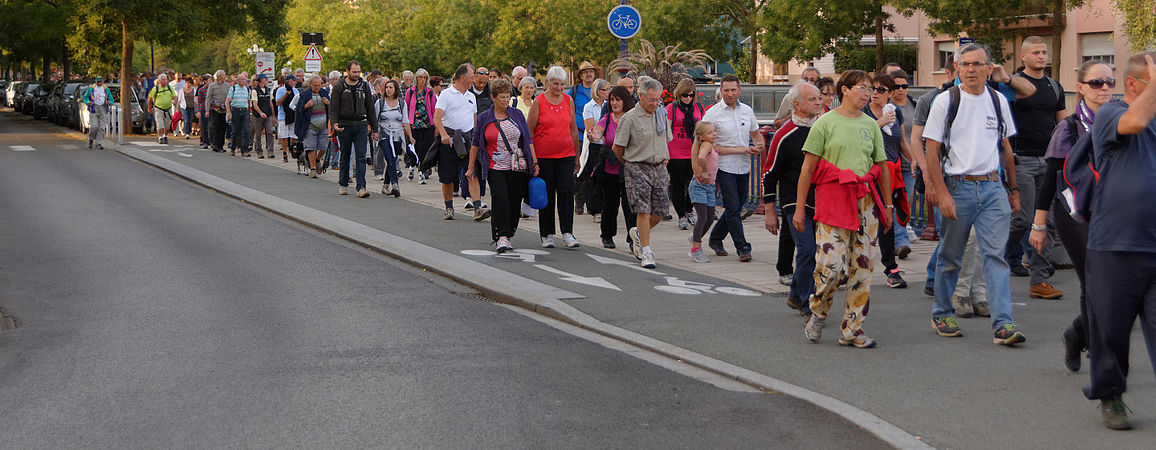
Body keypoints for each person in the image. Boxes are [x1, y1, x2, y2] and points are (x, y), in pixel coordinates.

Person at [921, 43, 1025, 346]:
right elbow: (931, 149)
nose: (971, 70)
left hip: (993, 187)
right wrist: (941, 194)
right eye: (965, 64)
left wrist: (1013, 190)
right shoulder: (945, 101)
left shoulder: (998, 101)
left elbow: (1006, 148)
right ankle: (942, 311)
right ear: (956, 68)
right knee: (951, 255)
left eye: (977, 64)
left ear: (989, 69)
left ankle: (1003, 323)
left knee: (996, 257)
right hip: (957, 185)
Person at [1081, 52, 1156, 430]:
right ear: (1133, 85)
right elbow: (1138, 120)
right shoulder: (1111, 113)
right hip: (1114, 245)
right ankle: (1110, 395)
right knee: (1110, 329)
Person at [793, 70, 890, 348]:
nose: (868, 93)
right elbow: (808, 168)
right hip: (833, 200)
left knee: (862, 269)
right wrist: (800, 209)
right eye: (862, 87)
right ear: (844, 90)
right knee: (832, 266)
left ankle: (853, 329)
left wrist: (889, 204)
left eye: (870, 88)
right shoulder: (825, 123)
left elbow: (882, 167)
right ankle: (818, 311)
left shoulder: (871, 125)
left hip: (865, 202)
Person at [1027, 60, 1113, 373]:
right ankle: (1101, 353)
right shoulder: (1070, 127)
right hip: (1074, 213)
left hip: (1111, 213)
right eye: (1096, 83)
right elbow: (1050, 178)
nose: (1104, 88)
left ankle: (1077, 333)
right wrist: (1038, 225)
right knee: (1092, 282)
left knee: (1112, 287)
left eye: (1109, 82)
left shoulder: (1119, 122)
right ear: (1080, 88)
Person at [1005, 36, 1068, 299]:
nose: (1042, 56)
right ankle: (1008, 255)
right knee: (1023, 217)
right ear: (1023, 56)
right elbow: (1002, 123)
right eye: (1036, 52)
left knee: (1048, 221)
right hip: (1021, 159)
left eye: (1045, 52)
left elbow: (1063, 124)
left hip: (1049, 161)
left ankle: (1039, 279)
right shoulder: (1013, 86)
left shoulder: (1055, 87)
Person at [763, 82, 823, 316]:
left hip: (820, 200)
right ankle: (808, 304)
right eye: (812, 99)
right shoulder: (783, 135)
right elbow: (769, 174)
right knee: (807, 250)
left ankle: (795, 295)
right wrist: (770, 211)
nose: (818, 102)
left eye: (819, 98)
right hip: (792, 202)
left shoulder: (823, 127)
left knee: (816, 253)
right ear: (796, 105)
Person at [862, 72, 920, 289]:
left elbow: (902, 140)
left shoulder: (894, 112)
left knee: (889, 218)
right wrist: (879, 122)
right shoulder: (863, 112)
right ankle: (852, 265)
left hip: (892, 172)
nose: (875, 93)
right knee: (867, 220)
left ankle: (891, 269)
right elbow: (862, 138)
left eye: (880, 90)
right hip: (870, 173)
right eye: (872, 89)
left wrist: (913, 160)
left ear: (890, 94)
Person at [468, 78, 538, 252]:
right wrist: (470, 167)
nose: (506, 101)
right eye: (502, 97)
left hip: (517, 166)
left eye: (508, 97)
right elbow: (476, 144)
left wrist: (534, 161)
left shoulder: (517, 115)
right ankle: (501, 236)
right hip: (495, 166)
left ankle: (509, 232)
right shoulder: (485, 118)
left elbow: (527, 140)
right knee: (501, 199)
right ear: (493, 97)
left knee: (515, 202)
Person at [700, 75, 763, 262]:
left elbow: (756, 134)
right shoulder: (713, 113)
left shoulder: (747, 111)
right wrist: (739, 149)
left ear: (739, 90)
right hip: (724, 166)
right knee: (733, 207)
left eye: (733, 90)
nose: (729, 94)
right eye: (726, 90)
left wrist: (759, 146)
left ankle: (716, 238)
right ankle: (743, 247)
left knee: (736, 206)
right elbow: (706, 143)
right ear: (721, 91)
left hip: (744, 166)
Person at [612, 76, 672, 269]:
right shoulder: (629, 118)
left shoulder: (661, 114)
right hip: (637, 166)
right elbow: (617, 147)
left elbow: (666, 140)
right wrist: (630, 164)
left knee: (661, 211)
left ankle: (638, 233)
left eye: (658, 100)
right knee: (643, 210)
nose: (655, 104)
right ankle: (646, 251)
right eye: (651, 100)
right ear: (640, 95)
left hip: (659, 166)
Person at [528, 66, 581, 248]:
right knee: (547, 194)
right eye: (556, 84)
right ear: (548, 83)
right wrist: (533, 159)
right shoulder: (539, 101)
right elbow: (530, 132)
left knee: (566, 192)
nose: (559, 88)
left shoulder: (568, 100)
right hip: (544, 156)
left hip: (566, 154)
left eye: (562, 84)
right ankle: (547, 233)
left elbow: (573, 128)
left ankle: (567, 232)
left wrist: (577, 155)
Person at [588, 86, 637, 249]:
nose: (614, 103)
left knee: (631, 207)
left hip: (629, 169)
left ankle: (633, 240)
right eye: (612, 100)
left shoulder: (631, 118)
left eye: (618, 100)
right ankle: (607, 236)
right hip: (610, 169)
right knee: (610, 204)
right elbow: (598, 131)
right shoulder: (607, 118)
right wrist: (593, 135)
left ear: (625, 101)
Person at [434, 63, 484, 219]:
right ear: (463, 78)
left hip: (468, 140)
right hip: (449, 140)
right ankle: (449, 208)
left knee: (472, 173)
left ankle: (477, 208)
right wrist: (443, 135)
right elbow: (437, 118)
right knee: (447, 177)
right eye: (472, 77)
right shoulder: (446, 94)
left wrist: (476, 138)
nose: (474, 80)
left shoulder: (471, 96)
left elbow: (474, 119)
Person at [329, 60, 378, 198]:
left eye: (358, 72)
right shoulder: (339, 86)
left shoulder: (364, 86)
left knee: (361, 156)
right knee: (345, 155)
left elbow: (370, 108)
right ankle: (343, 184)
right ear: (347, 71)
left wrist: (375, 128)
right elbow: (333, 108)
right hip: (344, 125)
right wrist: (334, 123)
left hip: (361, 125)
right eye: (354, 72)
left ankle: (361, 187)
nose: (357, 74)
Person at [666, 78, 704, 231]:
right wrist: (665, 153)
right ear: (678, 95)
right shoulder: (672, 108)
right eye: (684, 95)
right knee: (677, 185)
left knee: (692, 184)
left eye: (690, 95)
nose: (688, 98)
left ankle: (689, 210)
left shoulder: (699, 108)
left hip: (693, 151)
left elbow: (703, 127)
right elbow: (667, 131)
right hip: (676, 152)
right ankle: (681, 215)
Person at [888, 68, 917, 255]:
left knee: (904, 201)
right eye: (896, 86)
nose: (900, 90)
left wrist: (917, 159)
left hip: (911, 163)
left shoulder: (914, 105)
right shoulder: (887, 107)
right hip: (892, 162)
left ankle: (897, 239)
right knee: (893, 202)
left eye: (904, 86)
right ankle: (900, 241)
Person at [374, 79, 414, 198]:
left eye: (391, 87)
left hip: (397, 134)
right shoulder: (380, 103)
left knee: (394, 159)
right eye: (386, 87)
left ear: (395, 89)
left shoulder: (401, 103)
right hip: (384, 134)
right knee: (390, 158)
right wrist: (375, 132)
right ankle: (395, 185)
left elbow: (405, 120)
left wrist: (410, 136)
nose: (388, 89)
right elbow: (374, 119)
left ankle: (385, 185)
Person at [580, 79, 611, 223]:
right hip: (596, 145)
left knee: (606, 177)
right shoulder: (589, 107)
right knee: (593, 176)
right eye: (605, 90)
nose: (608, 93)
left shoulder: (609, 105)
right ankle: (595, 208)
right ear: (597, 91)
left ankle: (605, 206)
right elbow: (590, 129)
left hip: (608, 146)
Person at [688, 122, 719, 263]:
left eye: (714, 131)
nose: (714, 134)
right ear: (701, 136)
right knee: (703, 217)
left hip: (709, 187)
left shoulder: (711, 145)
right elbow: (701, 157)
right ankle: (695, 248)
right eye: (710, 132)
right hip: (700, 186)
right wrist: (705, 172)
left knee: (710, 217)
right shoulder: (706, 145)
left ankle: (696, 236)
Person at [293, 75, 330, 178]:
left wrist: (329, 103)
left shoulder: (324, 93)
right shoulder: (305, 94)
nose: (317, 87)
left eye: (319, 85)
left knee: (323, 148)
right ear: (310, 85)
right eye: (315, 85)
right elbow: (299, 109)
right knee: (311, 148)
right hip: (309, 126)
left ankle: (318, 159)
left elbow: (332, 108)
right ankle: (312, 169)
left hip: (323, 126)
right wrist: (306, 106)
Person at [405, 68, 437, 184]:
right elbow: (406, 107)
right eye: (420, 78)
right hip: (414, 123)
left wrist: (435, 124)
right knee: (415, 148)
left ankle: (422, 172)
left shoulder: (429, 92)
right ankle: (413, 166)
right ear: (416, 79)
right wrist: (406, 123)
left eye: (425, 78)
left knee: (425, 148)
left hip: (427, 123)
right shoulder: (411, 91)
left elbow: (434, 109)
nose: (422, 80)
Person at [225, 73, 253, 156]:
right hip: (235, 111)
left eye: (245, 79)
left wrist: (249, 113)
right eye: (242, 79)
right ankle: (233, 148)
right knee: (235, 131)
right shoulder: (233, 89)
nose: (244, 81)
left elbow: (248, 102)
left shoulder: (247, 90)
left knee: (246, 131)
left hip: (244, 111)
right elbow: (227, 102)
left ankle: (244, 150)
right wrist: (229, 112)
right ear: (238, 80)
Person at [81, 76, 112, 150]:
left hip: (103, 108)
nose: (99, 83)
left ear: (102, 81)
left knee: (101, 127)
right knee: (94, 126)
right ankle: (91, 139)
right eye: (98, 81)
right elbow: (85, 98)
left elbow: (111, 99)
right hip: (94, 108)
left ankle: (99, 142)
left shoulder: (106, 89)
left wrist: (109, 102)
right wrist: (88, 102)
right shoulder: (91, 88)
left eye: (100, 81)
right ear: (96, 81)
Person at [250, 74, 276, 159]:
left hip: (268, 114)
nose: (267, 81)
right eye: (265, 79)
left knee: (269, 132)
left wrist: (273, 115)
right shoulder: (255, 91)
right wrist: (261, 113)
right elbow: (255, 104)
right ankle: (259, 151)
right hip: (258, 116)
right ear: (261, 80)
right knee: (258, 134)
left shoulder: (269, 90)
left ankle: (270, 151)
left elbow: (271, 103)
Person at [274, 74, 298, 162]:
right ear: (290, 81)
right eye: (294, 80)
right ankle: (284, 153)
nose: (295, 82)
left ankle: (292, 149)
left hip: (292, 115)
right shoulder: (280, 90)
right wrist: (286, 94)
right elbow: (277, 103)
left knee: (294, 135)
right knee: (284, 136)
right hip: (283, 116)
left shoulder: (295, 91)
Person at [148, 73, 176, 144]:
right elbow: (150, 98)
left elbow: (174, 96)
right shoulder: (156, 88)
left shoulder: (170, 88)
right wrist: (149, 108)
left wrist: (174, 101)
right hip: (158, 109)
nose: (165, 81)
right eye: (163, 80)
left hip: (168, 109)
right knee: (160, 123)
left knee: (167, 124)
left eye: (166, 80)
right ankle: (160, 137)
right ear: (159, 81)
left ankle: (165, 136)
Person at [206, 70, 230, 153]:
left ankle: (221, 145)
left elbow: (229, 96)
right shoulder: (212, 86)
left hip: (224, 109)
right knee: (215, 127)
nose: (225, 76)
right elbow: (208, 98)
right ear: (219, 76)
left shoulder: (227, 85)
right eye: (223, 75)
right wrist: (207, 110)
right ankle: (215, 144)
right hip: (215, 109)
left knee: (223, 128)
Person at [197, 74, 211, 149]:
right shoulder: (201, 90)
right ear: (205, 81)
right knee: (204, 126)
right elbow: (199, 101)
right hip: (203, 109)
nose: (210, 82)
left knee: (212, 126)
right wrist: (198, 111)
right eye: (209, 80)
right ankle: (205, 141)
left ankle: (212, 141)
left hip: (211, 109)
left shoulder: (212, 89)